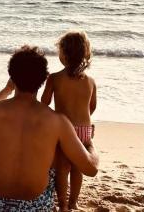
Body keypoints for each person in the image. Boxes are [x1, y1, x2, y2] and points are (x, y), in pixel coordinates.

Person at [0, 45, 98, 211]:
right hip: (33, 206)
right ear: (44, 79)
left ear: (12, 76)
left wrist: (7, 89)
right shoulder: (58, 121)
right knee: (55, 144)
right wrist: (89, 144)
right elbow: (91, 169)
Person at [41, 31, 97, 211]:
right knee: (78, 168)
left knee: (62, 168)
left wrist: (54, 120)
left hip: (65, 131)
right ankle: (74, 202)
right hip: (84, 130)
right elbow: (92, 106)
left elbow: (44, 104)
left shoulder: (55, 78)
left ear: (63, 55)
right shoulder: (90, 81)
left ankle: (63, 205)